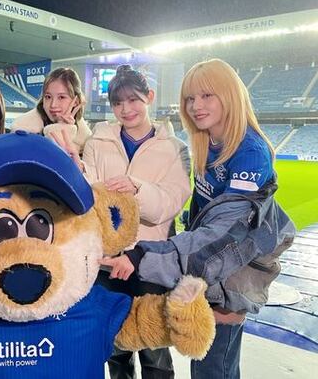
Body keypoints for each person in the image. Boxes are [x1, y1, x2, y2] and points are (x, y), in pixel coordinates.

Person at [101, 59, 296, 379]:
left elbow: (223, 236)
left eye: (207, 96)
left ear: (229, 95)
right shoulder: (207, 142)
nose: (195, 106)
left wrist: (141, 256)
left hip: (233, 269)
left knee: (213, 367)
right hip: (209, 269)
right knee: (202, 361)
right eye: (190, 98)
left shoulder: (250, 153)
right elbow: (201, 216)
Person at [78, 64, 191, 379]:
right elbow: (90, 198)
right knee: (116, 347)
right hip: (107, 261)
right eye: (118, 103)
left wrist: (136, 189)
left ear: (149, 97)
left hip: (151, 261)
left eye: (133, 100)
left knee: (155, 350)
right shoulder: (98, 142)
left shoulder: (175, 149)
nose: (126, 109)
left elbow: (170, 204)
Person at [11, 67, 91, 152]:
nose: (53, 105)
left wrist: (65, 129)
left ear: (76, 101)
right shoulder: (24, 129)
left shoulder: (86, 140)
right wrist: (60, 130)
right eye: (48, 97)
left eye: (61, 97)